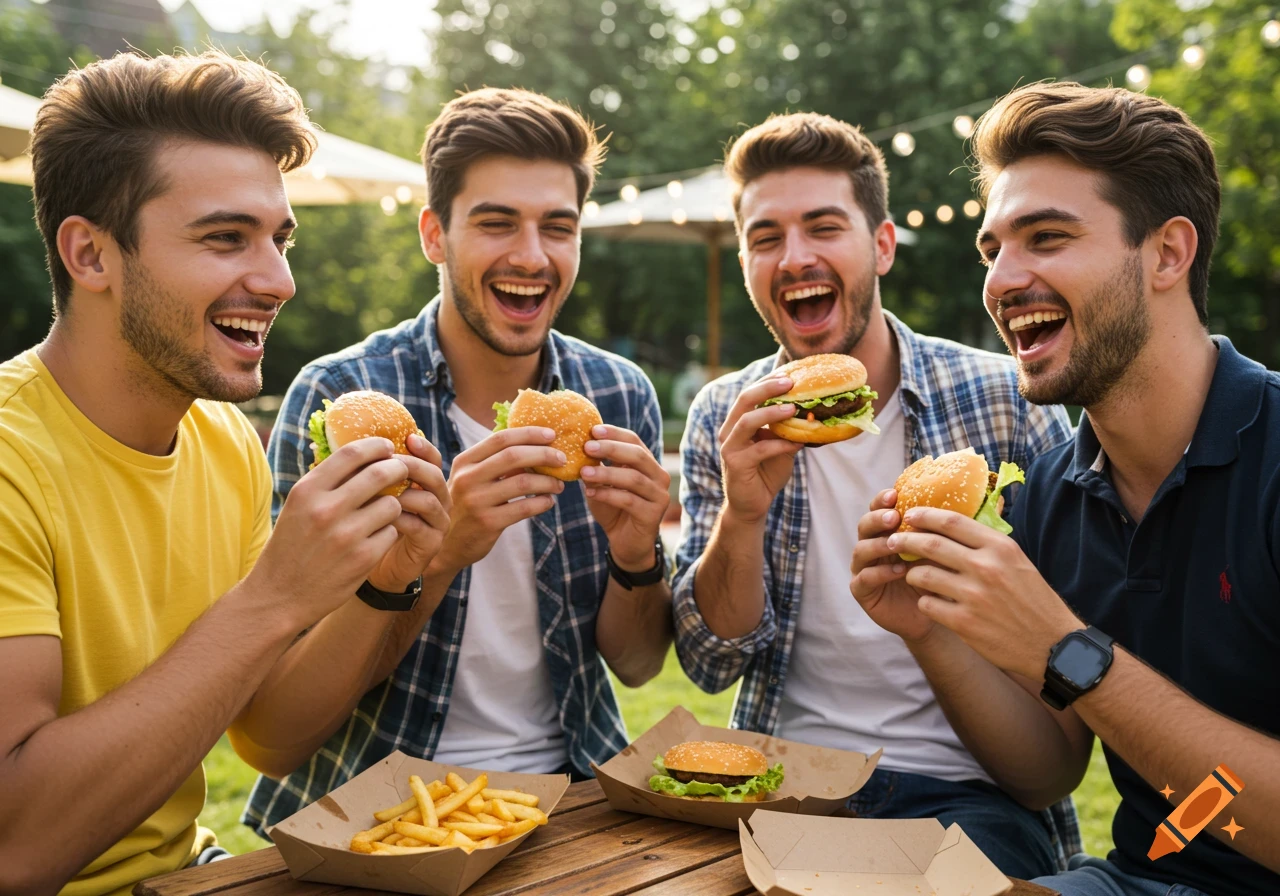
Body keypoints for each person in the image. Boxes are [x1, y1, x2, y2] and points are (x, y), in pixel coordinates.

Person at [0, 50, 450, 896]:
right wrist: (273, 599)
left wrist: (384, 587)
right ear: (90, 256)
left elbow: (268, 738)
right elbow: (15, 847)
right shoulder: (8, 461)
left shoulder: (222, 437)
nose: (279, 280)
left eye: (279, 239)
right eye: (224, 238)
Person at [852, 82, 1280, 895]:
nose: (1004, 281)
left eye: (1046, 237)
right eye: (993, 250)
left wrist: (1070, 653)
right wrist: (931, 633)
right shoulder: (1051, 488)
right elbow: (1048, 770)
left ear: (1167, 254)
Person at [240, 88, 674, 834]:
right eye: (497, 223)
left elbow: (636, 665)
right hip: (378, 809)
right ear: (435, 235)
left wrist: (637, 553)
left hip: (573, 803)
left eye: (557, 228)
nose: (531, 257)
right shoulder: (345, 401)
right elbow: (280, 732)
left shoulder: (614, 394)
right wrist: (437, 555)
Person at [671, 112, 1076, 879]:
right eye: (766, 238)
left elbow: (1057, 708)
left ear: (881, 245)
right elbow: (709, 662)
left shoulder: (1005, 401)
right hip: (783, 782)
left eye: (824, 227)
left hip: (968, 793)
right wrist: (743, 513)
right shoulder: (728, 416)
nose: (795, 258)